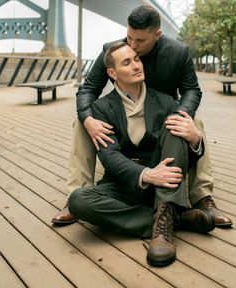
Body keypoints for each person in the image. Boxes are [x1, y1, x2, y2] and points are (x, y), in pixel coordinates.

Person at [52, 5, 232, 227]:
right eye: (129, 38)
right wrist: (88, 118)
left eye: (139, 42)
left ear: (157, 35)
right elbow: (88, 90)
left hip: (163, 114)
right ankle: (78, 192)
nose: (132, 46)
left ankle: (201, 197)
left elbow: (192, 90)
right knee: (81, 123)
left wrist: (178, 115)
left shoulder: (178, 52)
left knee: (191, 123)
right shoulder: (114, 50)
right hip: (125, 119)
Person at [68, 42, 215, 267]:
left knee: (175, 124)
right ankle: (172, 220)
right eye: (127, 62)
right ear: (112, 73)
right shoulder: (101, 108)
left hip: (163, 186)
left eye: (137, 59)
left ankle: (163, 228)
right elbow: (110, 158)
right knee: (78, 200)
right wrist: (147, 174)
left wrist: (195, 140)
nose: (137, 65)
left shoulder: (166, 101)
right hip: (124, 183)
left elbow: (183, 157)